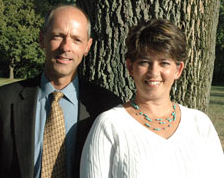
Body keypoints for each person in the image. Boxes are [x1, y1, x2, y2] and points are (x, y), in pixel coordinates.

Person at [0, 4, 122, 178]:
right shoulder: (2, 102)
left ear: (87, 46)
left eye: (76, 40)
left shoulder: (106, 106)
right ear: (42, 39)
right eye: (58, 36)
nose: (66, 47)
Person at [80, 19, 224, 178]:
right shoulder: (110, 125)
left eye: (164, 63)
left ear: (178, 70)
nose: (153, 72)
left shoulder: (200, 124)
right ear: (130, 67)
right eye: (144, 62)